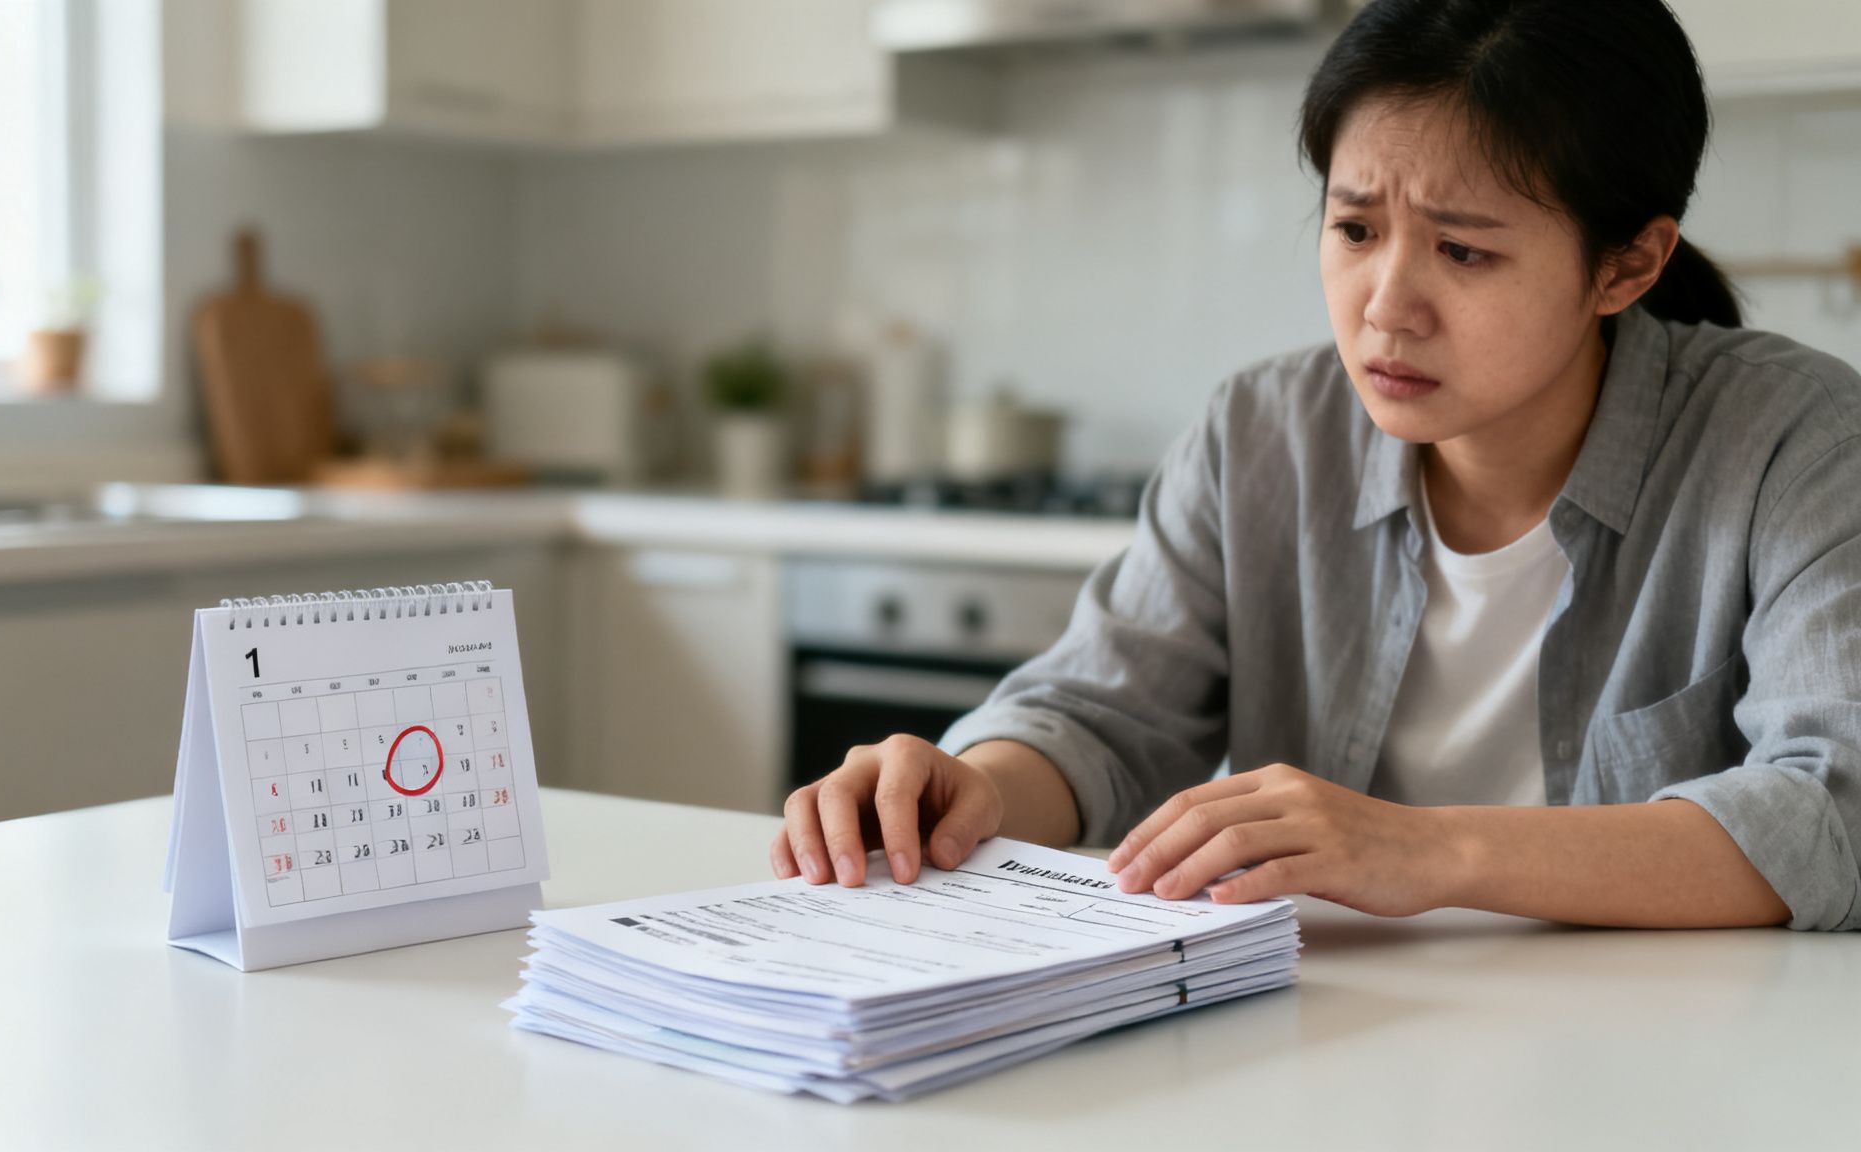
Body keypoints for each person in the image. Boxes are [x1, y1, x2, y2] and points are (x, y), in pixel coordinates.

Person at [771, 0, 1861, 932]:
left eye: (1463, 250)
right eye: (1351, 229)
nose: (1385, 307)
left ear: (1626, 263)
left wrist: (1424, 851)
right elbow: (1099, 718)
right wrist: (972, 789)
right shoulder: (1261, 431)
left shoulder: (1791, 438)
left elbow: (1834, 812)